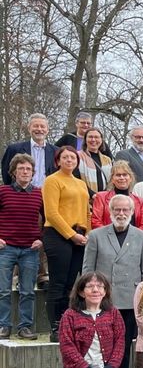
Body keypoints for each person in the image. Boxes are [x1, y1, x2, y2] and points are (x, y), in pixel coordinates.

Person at [82, 195, 143, 368]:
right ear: (110, 211)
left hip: (129, 300)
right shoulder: (96, 236)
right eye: (117, 210)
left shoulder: (142, 237)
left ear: (132, 212)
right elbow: (87, 270)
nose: (121, 214)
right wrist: (89, 296)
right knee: (100, 343)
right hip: (102, 300)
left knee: (124, 344)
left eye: (125, 210)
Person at [43, 146, 90, 342]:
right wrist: (71, 235)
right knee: (58, 283)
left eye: (73, 157)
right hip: (59, 235)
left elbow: (87, 211)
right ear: (58, 160)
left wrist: (87, 232)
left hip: (79, 237)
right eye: (65, 157)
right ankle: (55, 327)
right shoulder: (52, 180)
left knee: (72, 284)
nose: (69, 160)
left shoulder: (80, 183)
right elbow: (51, 214)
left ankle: (67, 322)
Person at [0, 154, 44, 339]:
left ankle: (24, 327)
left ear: (33, 173)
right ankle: (4, 326)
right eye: (21, 169)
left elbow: (49, 220)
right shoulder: (3, 191)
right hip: (6, 248)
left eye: (28, 169)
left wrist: (42, 239)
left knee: (28, 291)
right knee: (3, 290)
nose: (25, 172)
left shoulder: (39, 194)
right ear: (13, 172)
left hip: (30, 249)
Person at [91, 160, 143, 232]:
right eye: (118, 175)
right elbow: (96, 222)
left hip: (134, 241)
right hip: (107, 240)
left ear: (130, 178)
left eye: (125, 175)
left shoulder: (139, 201)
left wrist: (134, 237)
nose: (122, 178)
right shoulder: (101, 197)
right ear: (112, 179)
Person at [2, 112, 56, 186]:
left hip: (47, 194)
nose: (39, 129)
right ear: (29, 128)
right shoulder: (14, 149)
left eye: (42, 126)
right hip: (20, 194)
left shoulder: (56, 151)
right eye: (36, 126)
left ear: (47, 130)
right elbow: (6, 173)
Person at [75, 128, 113, 193]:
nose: (93, 140)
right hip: (84, 197)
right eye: (90, 137)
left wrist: (103, 196)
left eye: (96, 137)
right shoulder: (77, 156)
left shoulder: (107, 160)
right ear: (85, 140)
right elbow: (76, 179)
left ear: (101, 140)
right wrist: (92, 194)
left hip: (104, 199)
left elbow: (111, 181)